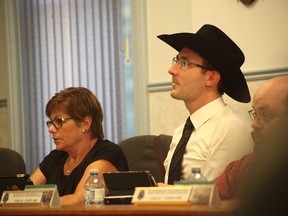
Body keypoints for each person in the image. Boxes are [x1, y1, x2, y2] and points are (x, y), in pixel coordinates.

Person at [157, 24, 253, 184]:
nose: (171, 70)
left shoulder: (231, 128)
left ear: (211, 79)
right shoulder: (182, 131)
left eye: (185, 63)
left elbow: (215, 196)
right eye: (177, 60)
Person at [30, 87, 129, 205]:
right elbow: (22, 195)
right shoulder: (56, 157)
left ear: (85, 123)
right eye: (50, 122)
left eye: (59, 121)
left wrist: (34, 202)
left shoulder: (108, 153)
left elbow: (80, 200)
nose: (51, 129)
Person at [215, 76, 288, 200]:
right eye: (255, 114)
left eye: (265, 116)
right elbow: (204, 197)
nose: (254, 124)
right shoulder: (244, 166)